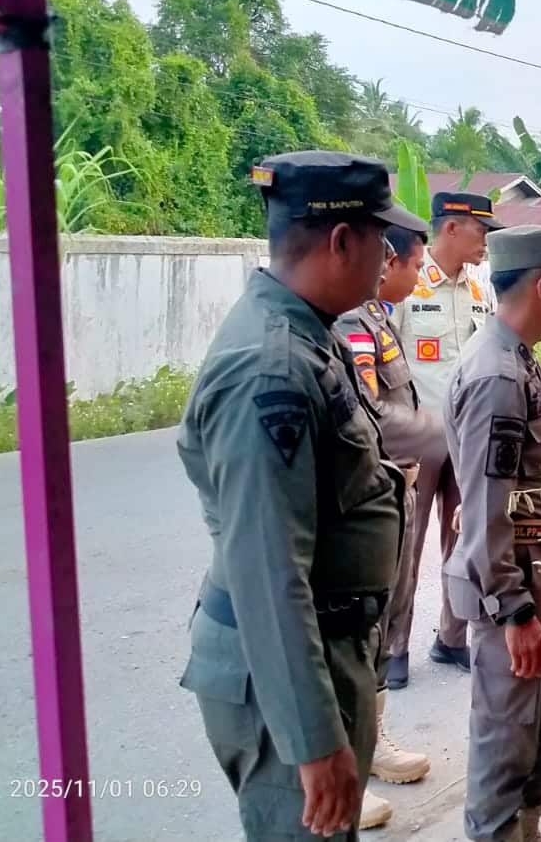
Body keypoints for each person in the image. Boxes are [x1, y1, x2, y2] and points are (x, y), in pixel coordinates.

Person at [177, 150, 428, 839]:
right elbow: (267, 570)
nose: (388, 256)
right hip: (285, 676)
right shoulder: (272, 368)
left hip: (323, 650)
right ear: (343, 241)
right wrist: (313, 740)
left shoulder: (308, 332)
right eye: (380, 238)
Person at [444, 225, 541, 842]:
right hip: (510, 585)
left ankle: (527, 830)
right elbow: (486, 510)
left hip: (535, 573)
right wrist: (514, 611)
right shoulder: (498, 376)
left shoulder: (518, 358)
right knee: (507, 743)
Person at [333, 224, 439, 827]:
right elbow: (372, 413)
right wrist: (445, 435)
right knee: (360, 626)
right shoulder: (354, 322)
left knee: (385, 618)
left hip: (398, 486)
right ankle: (346, 758)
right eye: (414, 263)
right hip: (372, 492)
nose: (417, 275)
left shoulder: (380, 316)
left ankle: (373, 743)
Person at [393, 191, 502, 679]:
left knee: (464, 541)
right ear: (452, 229)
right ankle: (393, 648)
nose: (486, 242)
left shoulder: (481, 289)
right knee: (405, 546)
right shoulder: (406, 284)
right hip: (418, 438)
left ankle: (451, 637)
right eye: (481, 231)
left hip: (468, 437)